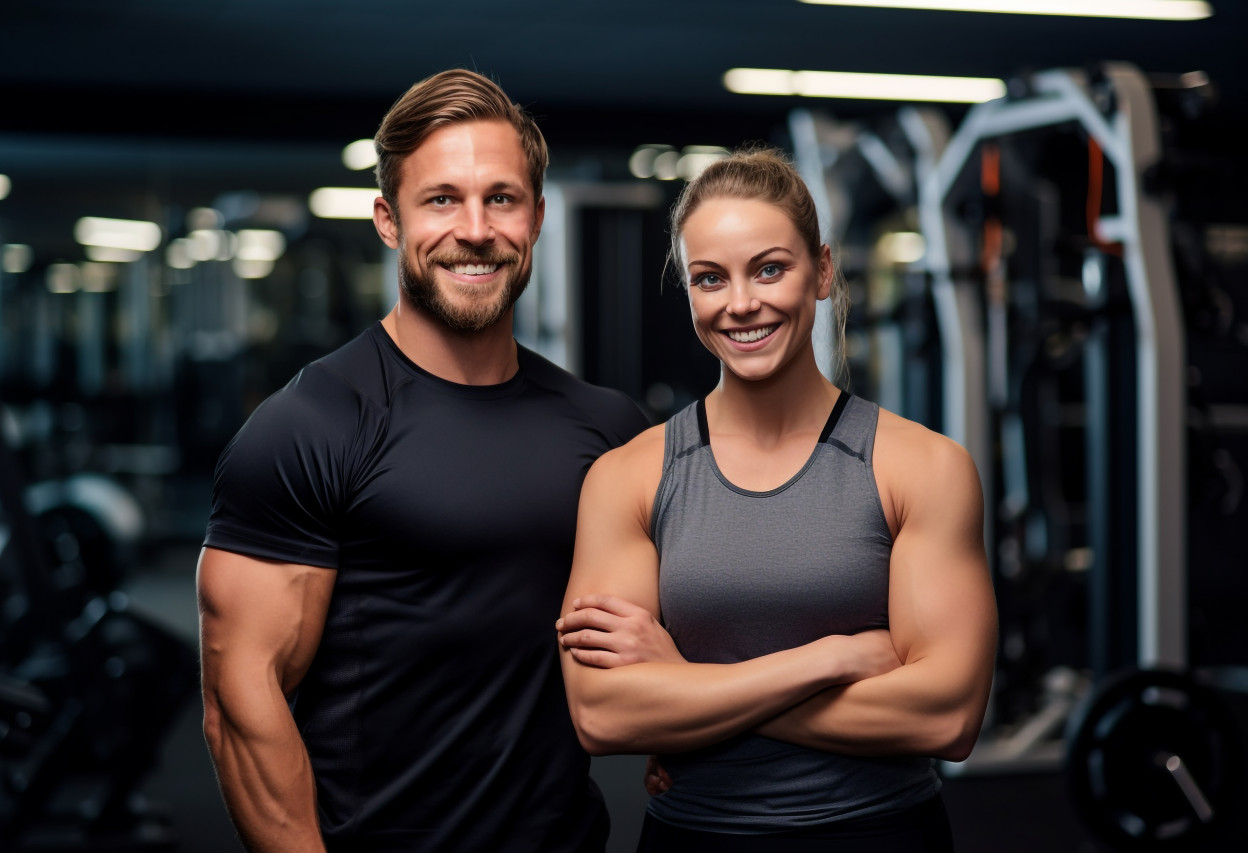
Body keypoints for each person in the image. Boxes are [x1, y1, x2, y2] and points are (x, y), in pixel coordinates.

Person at [197, 69, 650, 853]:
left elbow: (685, 626)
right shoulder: (309, 426)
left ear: (538, 217)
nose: (475, 229)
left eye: (501, 198)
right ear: (388, 219)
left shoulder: (609, 428)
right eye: (441, 199)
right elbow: (241, 703)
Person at [557, 147, 998, 851]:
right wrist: (828, 659)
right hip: (694, 839)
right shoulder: (627, 477)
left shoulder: (922, 467)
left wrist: (686, 687)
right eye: (710, 277)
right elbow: (604, 716)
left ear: (821, 271)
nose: (741, 303)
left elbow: (947, 717)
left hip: (877, 837)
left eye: (769, 269)